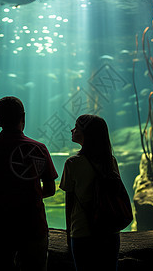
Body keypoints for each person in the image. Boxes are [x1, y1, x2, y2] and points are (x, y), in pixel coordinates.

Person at [0, 96, 58, 271]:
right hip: (32, 227)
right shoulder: (38, 148)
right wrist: (27, 193)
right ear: (23, 117)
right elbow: (50, 189)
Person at [60, 114, 121, 271]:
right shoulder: (110, 161)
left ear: (86, 133)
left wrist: (69, 234)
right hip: (109, 232)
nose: (72, 130)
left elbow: (70, 203)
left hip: (82, 232)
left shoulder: (72, 163)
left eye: (77, 127)